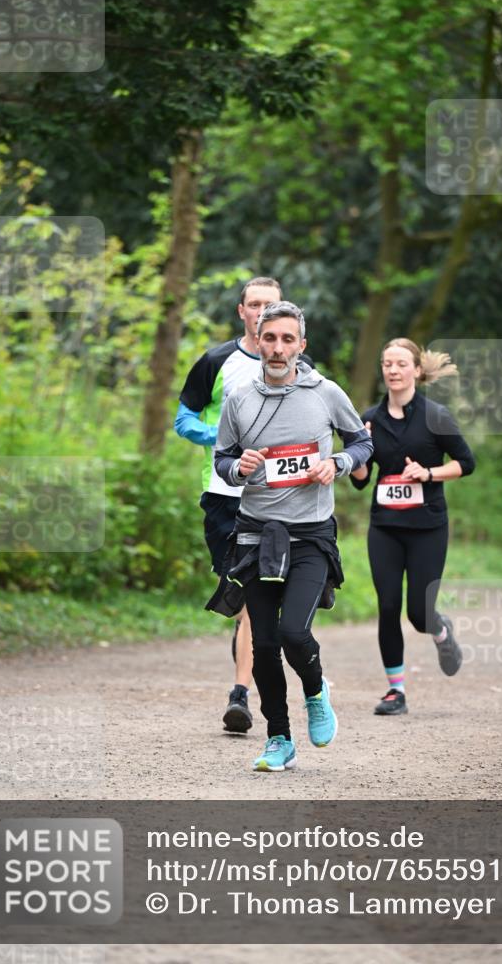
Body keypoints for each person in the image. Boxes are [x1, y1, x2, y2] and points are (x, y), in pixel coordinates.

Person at [208, 301, 372, 771]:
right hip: (255, 535)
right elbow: (223, 459)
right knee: (263, 645)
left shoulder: (325, 393)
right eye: (270, 338)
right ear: (258, 341)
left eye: (287, 339)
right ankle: (279, 738)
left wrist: (337, 463)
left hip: (309, 536)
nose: (278, 348)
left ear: (301, 345)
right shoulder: (239, 399)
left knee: (293, 632)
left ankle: (316, 691)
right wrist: (238, 467)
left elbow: (362, 442)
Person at [174, 277, 285, 733]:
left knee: (253, 598)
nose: (262, 312)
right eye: (255, 304)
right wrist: (224, 439)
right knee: (240, 594)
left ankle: (240, 693)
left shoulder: (299, 366)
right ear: (241, 310)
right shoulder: (216, 361)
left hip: (276, 500)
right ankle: (246, 673)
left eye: (271, 305)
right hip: (223, 498)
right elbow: (182, 420)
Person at [350, 338, 475, 716]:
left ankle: (440, 631)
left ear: (417, 370)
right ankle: (395, 691)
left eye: (401, 363)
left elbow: (465, 463)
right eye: (387, 363)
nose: (393, 370)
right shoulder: (369, 418)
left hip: (427, 526)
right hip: (385, 525)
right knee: (388, 605)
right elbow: (359, 479)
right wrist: (361, 450)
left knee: (419, 613)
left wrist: (429, 473)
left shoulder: (435, 415)